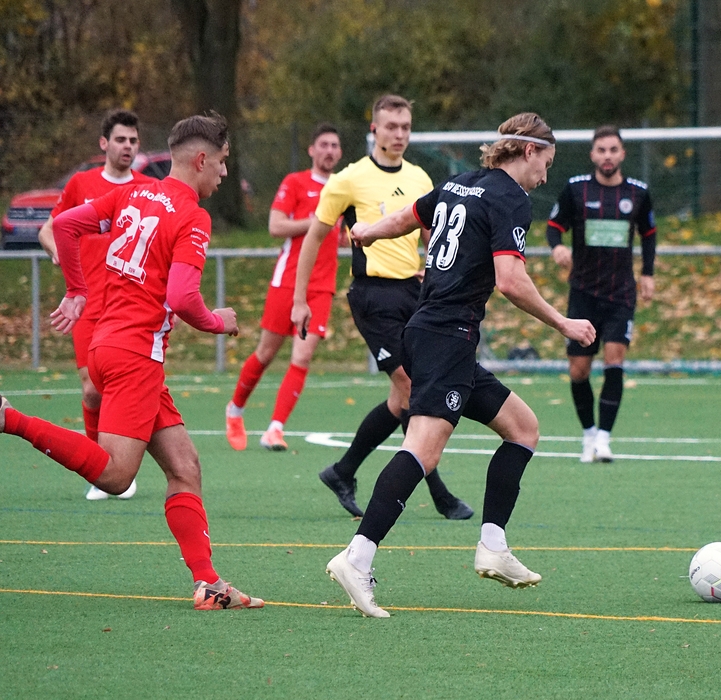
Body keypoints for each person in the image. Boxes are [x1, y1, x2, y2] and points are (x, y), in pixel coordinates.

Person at [0, 112, 264, 611]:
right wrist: (217, 322)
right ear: (202, 159)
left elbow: (64, 226)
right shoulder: (192, 217)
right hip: (135, 358)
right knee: (117, 477)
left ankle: (209, 584)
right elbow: (183, 298)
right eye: (223, 162)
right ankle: (8, 418)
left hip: (106, 345)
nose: (225, 173)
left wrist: (78, 289)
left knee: (185, 466)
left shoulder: (133, 194)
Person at [313, 112, 596, 618]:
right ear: (528, 150)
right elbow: (510, 280)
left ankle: (493, 545)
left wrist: (368, 232)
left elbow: (406, 218)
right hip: (446, 337)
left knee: (523, 428)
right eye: (547, 163)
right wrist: (564, 323)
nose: (545, 176)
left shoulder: (459, 183)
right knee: (422, 450)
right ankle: (357, 557)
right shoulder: (511, 198)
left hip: (437, 335)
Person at [291, 95, 472, 521]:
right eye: (391, 126)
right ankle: (440, 494)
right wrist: (300, 300)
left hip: (414, 294)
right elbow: (313, 238)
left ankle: (342, 471)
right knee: (410, 387)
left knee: (400, 397)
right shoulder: (349, 180)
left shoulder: (419, 177)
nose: (399, 134)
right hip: (372, 296)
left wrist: (433, 271)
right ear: (374, 130)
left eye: (405, 126)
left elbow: (432, 235)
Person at [38, 109, 155, 500]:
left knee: (124, 388)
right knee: (91, 391)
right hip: (88, 303)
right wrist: (60, 252)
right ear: (104, 143)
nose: (127, 146)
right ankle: (101, 469)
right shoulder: (81, 183)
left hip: (131, 304)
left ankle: (119, 465)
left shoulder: (147, 189)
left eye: (133, 140)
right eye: (120, 139)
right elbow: (49, 229)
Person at [224, 124, 344, 451]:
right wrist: (317, 222)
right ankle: (234, 410)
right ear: (312, 150)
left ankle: (274, 429)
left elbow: (344, 234)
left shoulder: (343, 188)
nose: (329, 150)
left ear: (340, 152)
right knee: (266, 353)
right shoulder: (295, 182)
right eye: (323, 145)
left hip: (322, 286)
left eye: (334, 145)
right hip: (288, 282)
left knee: (303, 356)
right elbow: (275, 226)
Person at [546, 125, 657, 463]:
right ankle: (589, 434)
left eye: (613, 150)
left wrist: (648, 273)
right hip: (583, 293)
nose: (607, 156)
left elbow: (649, 233)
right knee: (579, 370)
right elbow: (554, 226)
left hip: (620, 293)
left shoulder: (638, 193)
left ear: (622, 154)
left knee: (614, 359)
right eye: (601, 150)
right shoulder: (576, 189)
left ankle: (605, 439)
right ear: (592, 154)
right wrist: (557, 247)